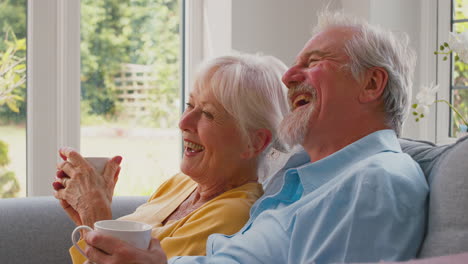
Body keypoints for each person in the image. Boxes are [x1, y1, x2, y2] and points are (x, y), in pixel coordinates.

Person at [77, 11, 429, 264]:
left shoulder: (375, 181)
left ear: (371, 84)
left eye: (314, 61)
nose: (289, 76)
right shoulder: (299, 181)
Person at [52, 53, 290, 262]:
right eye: (190, 105)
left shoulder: (236, 213)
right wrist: (88, 214)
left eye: (207, 114)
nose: (183, 122)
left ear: (255, 142)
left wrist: (95, 213)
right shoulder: (182, 184)